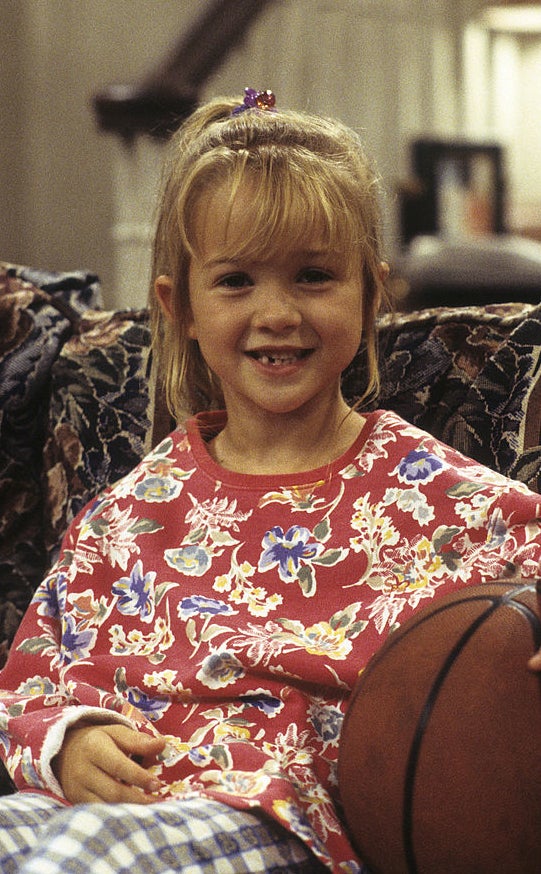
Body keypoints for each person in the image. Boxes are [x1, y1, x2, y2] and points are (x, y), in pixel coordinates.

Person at [0, 88, 540, 874]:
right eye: (235, 282)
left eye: (314, 276)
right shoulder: (127, 513)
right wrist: (68, 739)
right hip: (104, 805)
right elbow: (29, 678)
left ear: (370, 292)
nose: (277, 312)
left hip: (278, 819)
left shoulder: (433, 493)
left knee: (79, 858)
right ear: (176, 305)